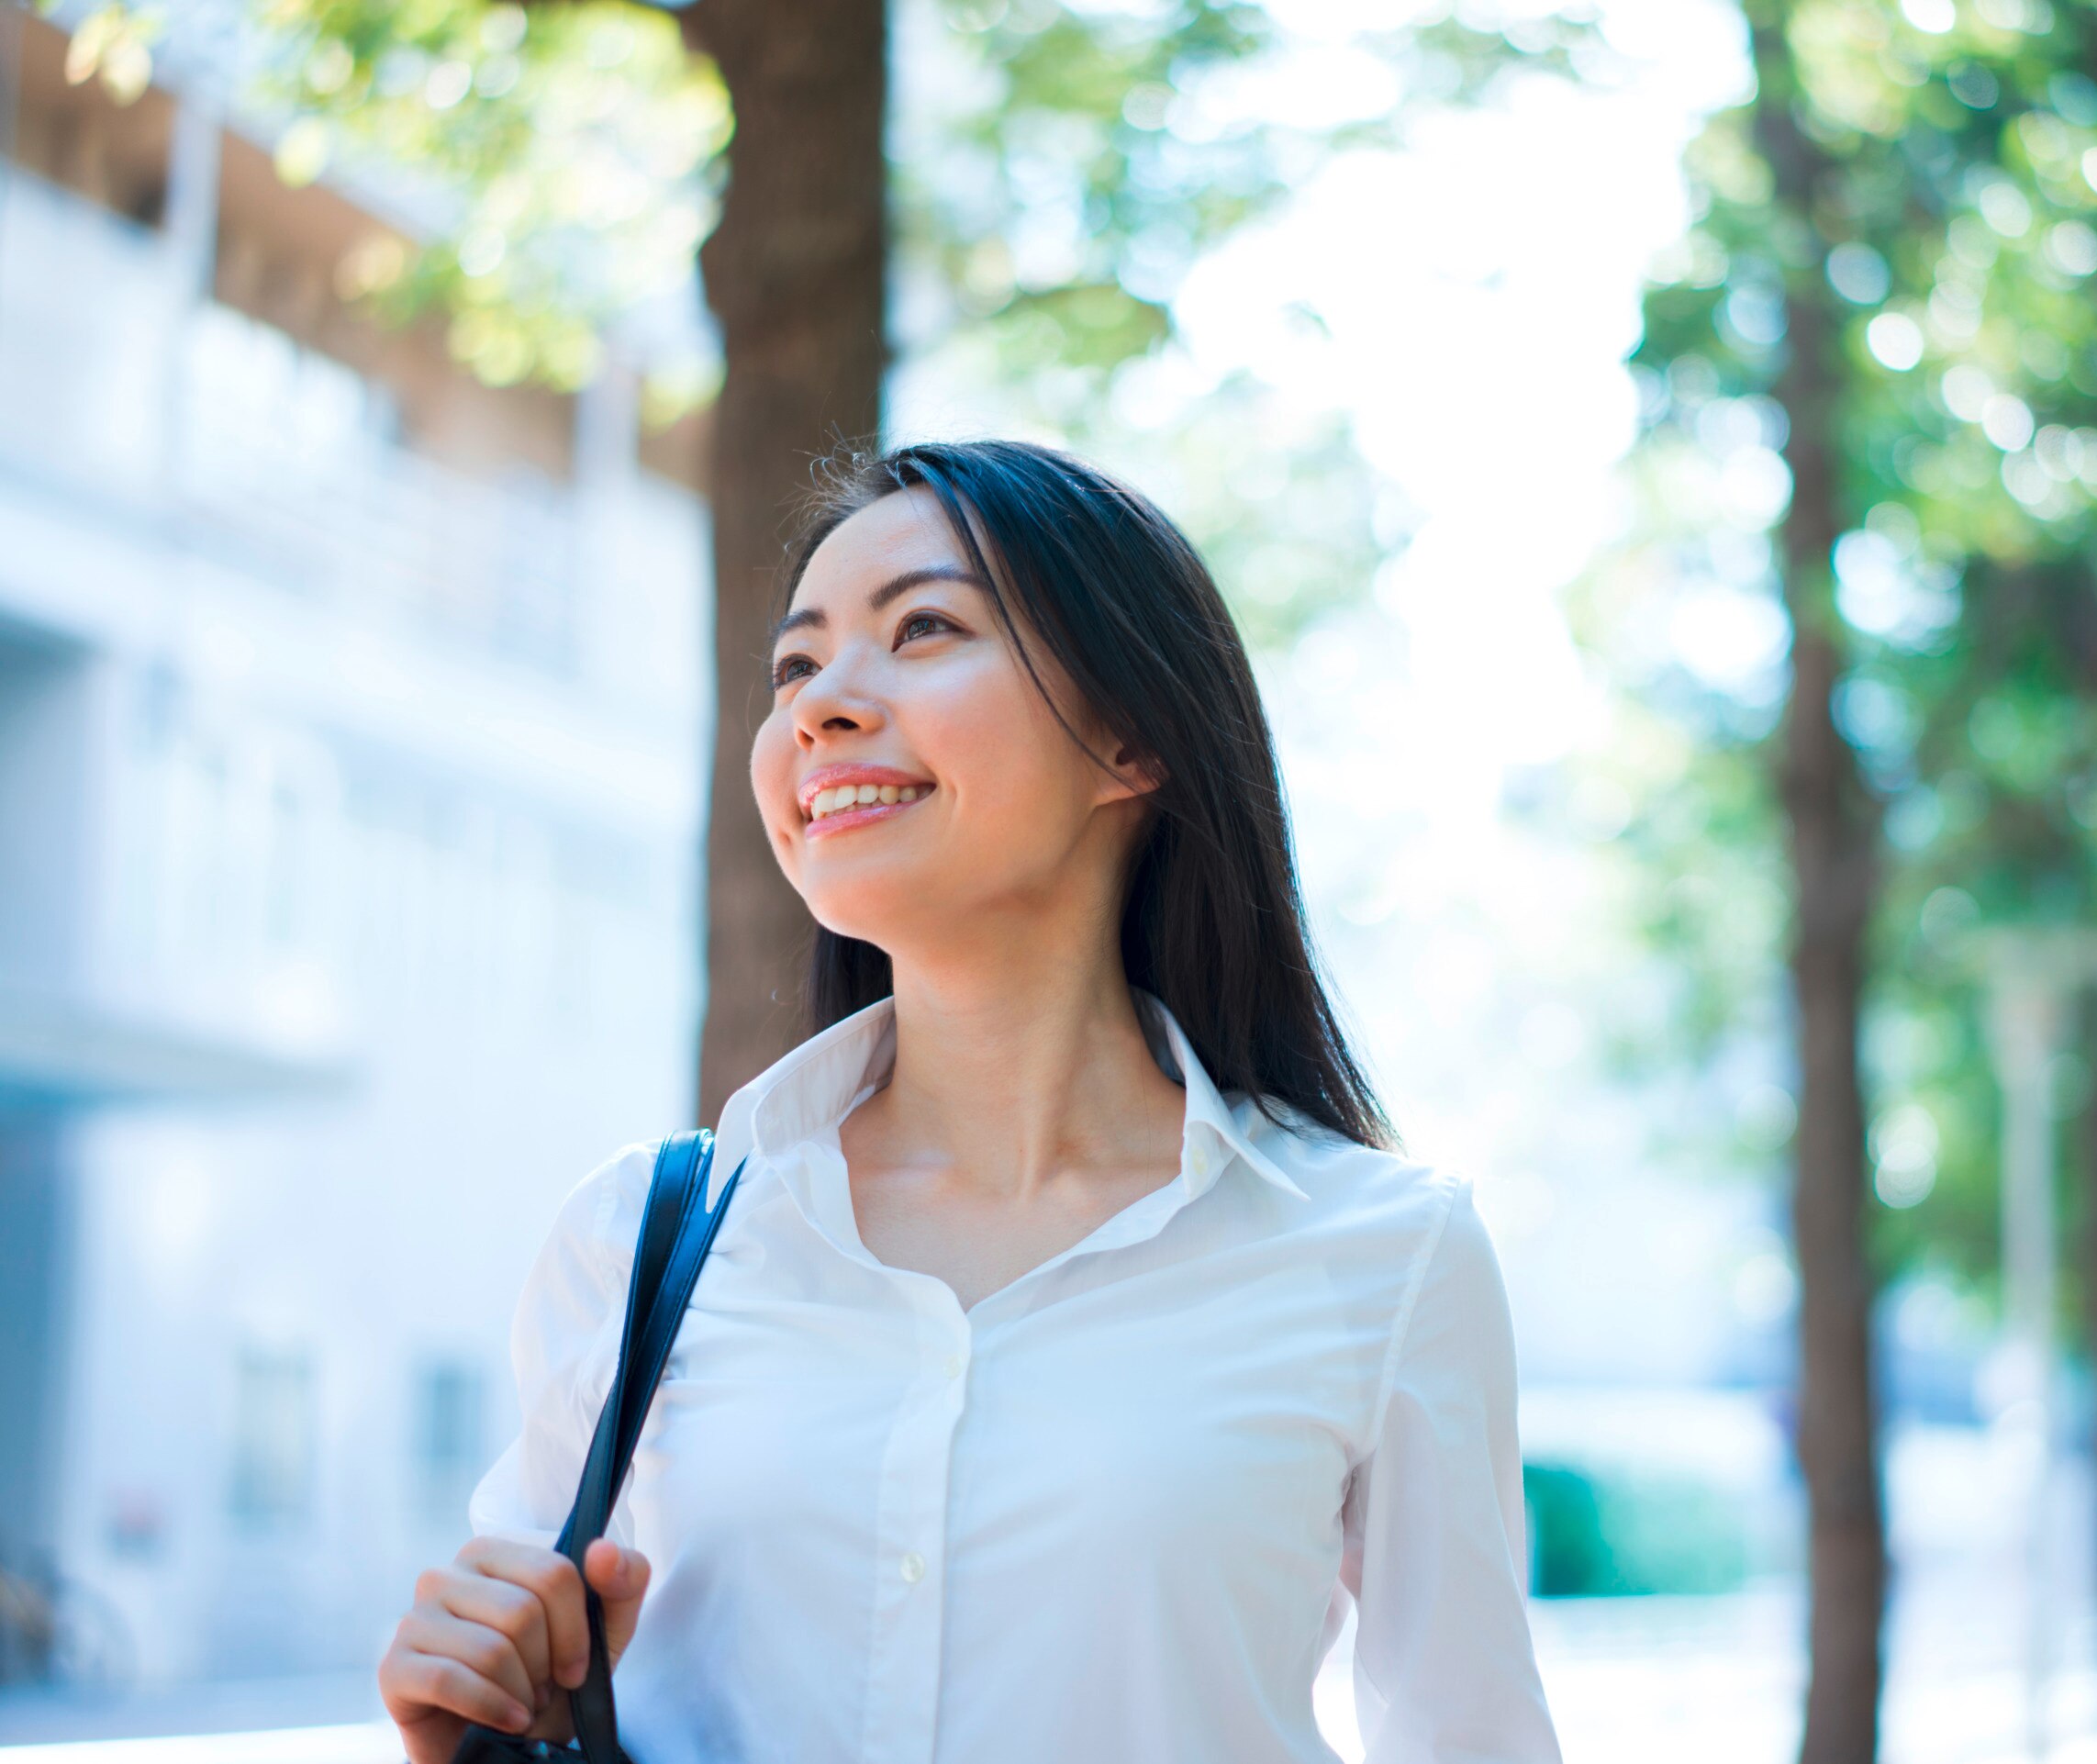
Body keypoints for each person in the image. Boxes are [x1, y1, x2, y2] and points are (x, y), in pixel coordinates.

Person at [375, 439, 1562, 1764]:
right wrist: (481, 1726)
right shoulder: (636, 1244)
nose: (822, 703)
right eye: (795, 664)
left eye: (922, 626)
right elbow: (532, 1692)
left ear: (1133, 735)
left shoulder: (1383, 1254)